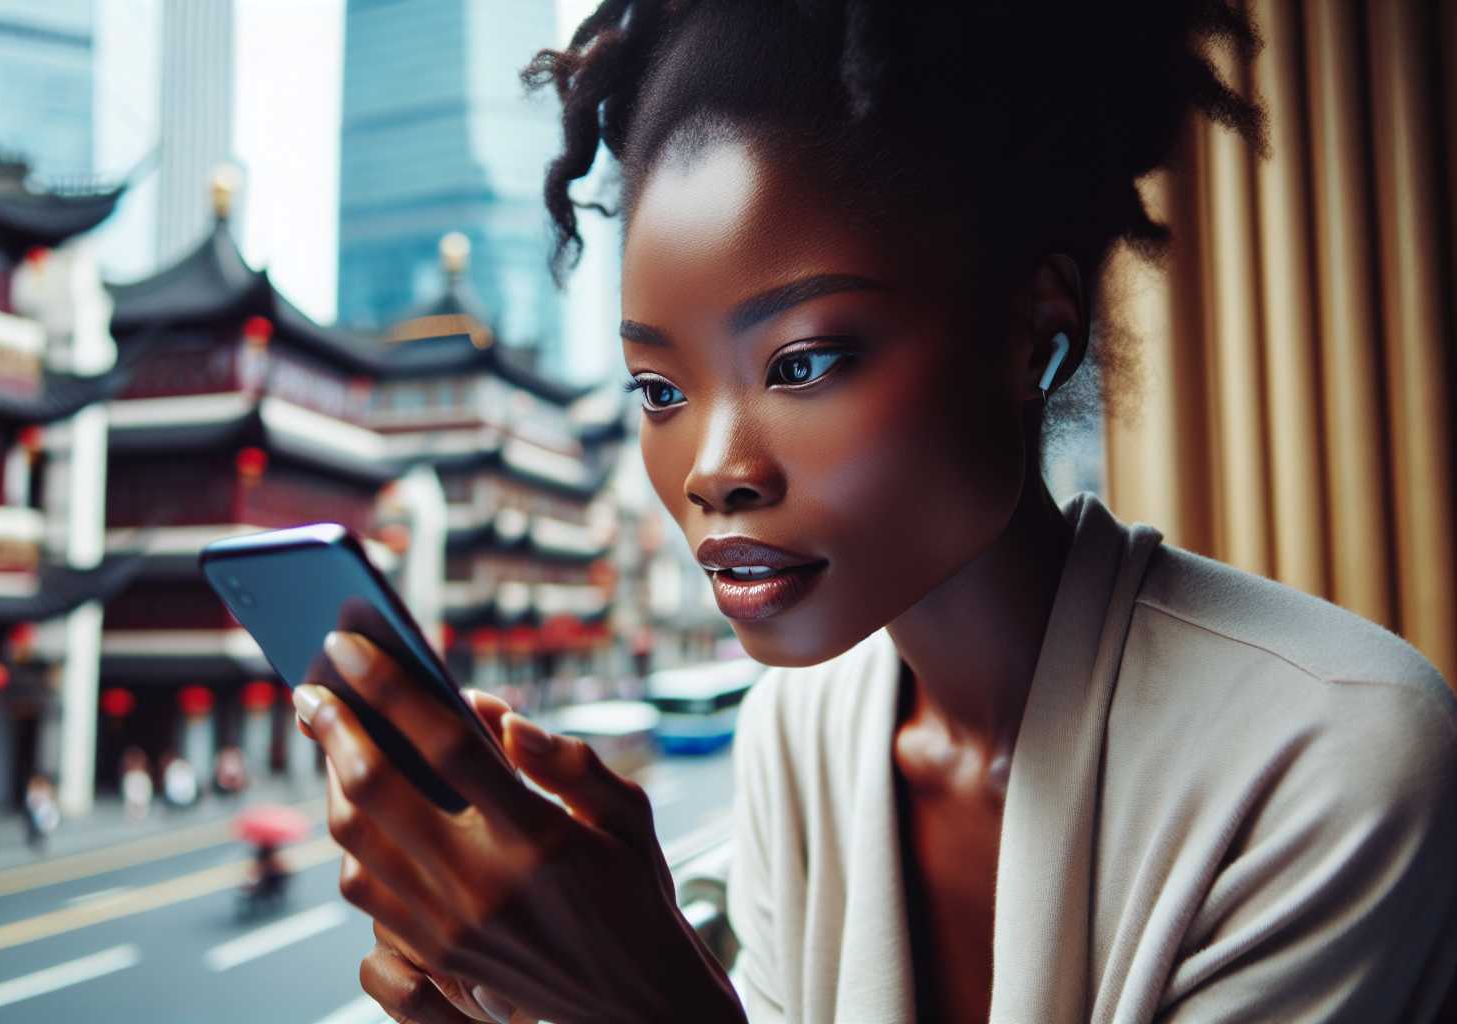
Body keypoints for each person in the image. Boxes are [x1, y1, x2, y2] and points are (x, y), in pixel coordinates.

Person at [297, 5, 1457, 1023]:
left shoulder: (1339, 757)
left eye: (801, 363)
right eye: (659, 389)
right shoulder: (795, 734)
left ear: (1032, 329)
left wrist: (646, 999)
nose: (712, 471)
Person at [23, 774, 59, 853]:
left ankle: (41, 843)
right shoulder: (34, 791)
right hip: (38, 814)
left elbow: (50, 799)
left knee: (44, 829)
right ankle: (36, 842)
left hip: (45, 814)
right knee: (39, 829)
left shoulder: (45, 789)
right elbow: (31, 801)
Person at [120, 749, 153, 822]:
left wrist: (143, 800)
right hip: (133, 803)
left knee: (140, 817)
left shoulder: (144, 776)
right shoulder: (129, 776)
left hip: (141, 802)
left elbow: (147, 790)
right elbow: (128, 791)